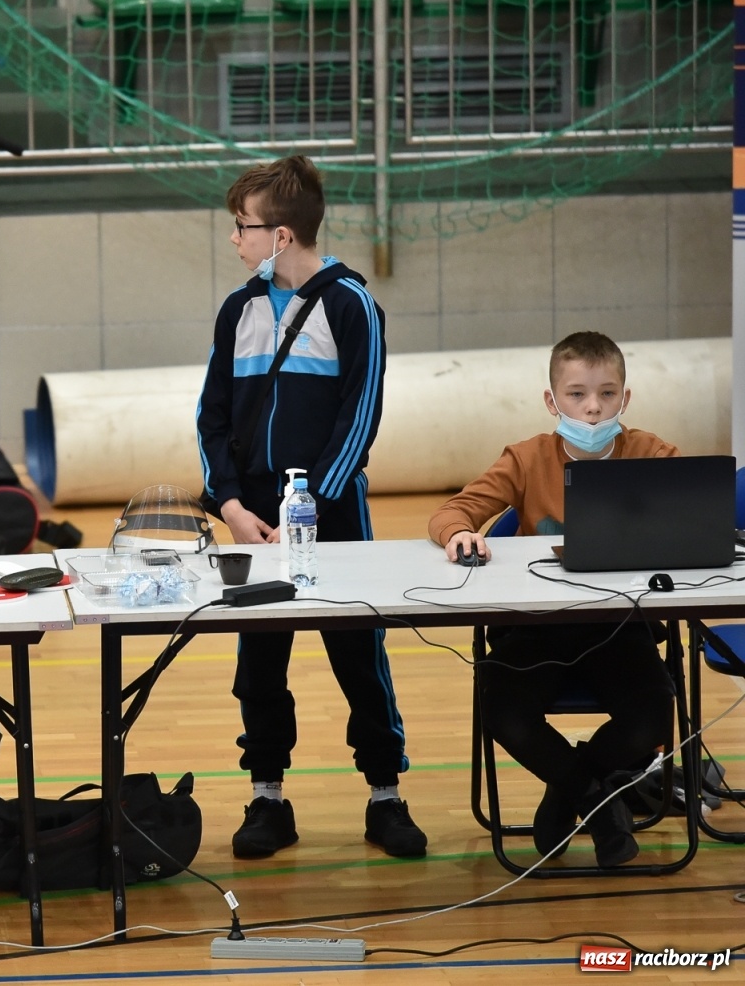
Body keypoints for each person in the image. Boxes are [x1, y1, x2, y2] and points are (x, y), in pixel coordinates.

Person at [196, 155, 426, 860]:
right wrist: (232, 505)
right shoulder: (237, 310)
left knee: (358, 654)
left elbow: (360, 417)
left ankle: (385, 795)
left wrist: (311, 503)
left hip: (333, 513)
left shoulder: (352, 304)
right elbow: (211, 418)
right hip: (254, 519)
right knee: (259, 662)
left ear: (284, 236)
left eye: (244, 228)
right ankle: (267, 796)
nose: (236, 240)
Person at [429, 331, 675, 867]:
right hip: (537, 628)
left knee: (652, 715)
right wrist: (457, 535)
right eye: (577, 394)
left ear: (625, 399)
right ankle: (598, 802)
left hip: (619, 628)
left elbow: (701, 511)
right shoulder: (526, 459)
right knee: (503, 710)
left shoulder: (651, 453)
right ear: (552, 401)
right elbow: (453, 511)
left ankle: (567, 793)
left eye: (607, 394)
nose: (592, 408)